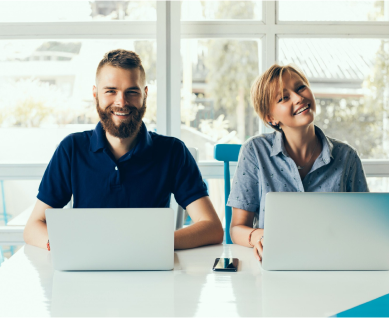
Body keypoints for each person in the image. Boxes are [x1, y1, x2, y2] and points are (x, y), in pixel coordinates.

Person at [24, 49, 223, 250]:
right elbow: (33, 227)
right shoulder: (72, 149)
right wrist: (62, 245)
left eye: (132, 92)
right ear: (95, 94)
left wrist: (152, 244)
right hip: (87, 271)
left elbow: (212, 228)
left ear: (144, 95)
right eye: (111, 91)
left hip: (151, 270)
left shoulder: (172, 151)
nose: (121, 102)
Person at [228, 64, 369, 261]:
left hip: (334, 262)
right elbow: (236, 229)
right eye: (284, 97)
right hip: (277, 262)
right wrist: (259, 236)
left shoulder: (347, 157)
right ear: (271, 118)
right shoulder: (255, 151)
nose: (299, 97)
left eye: (300, 87)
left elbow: (365, 226)